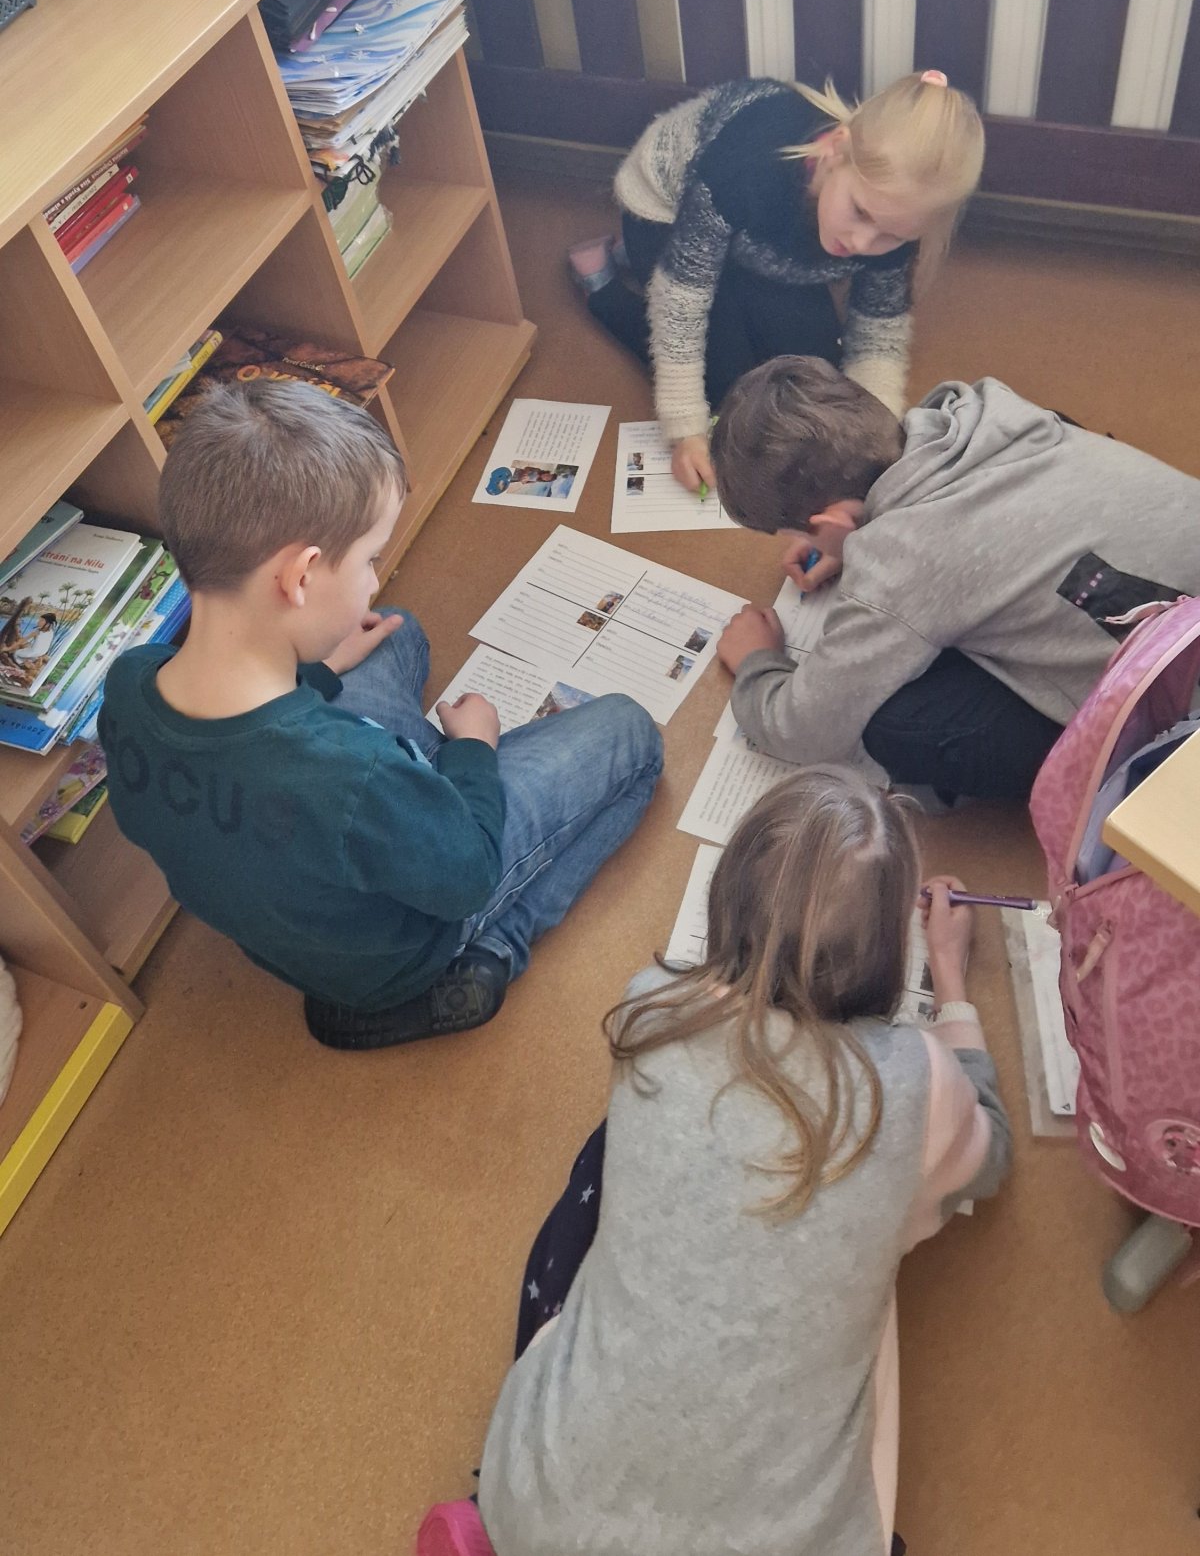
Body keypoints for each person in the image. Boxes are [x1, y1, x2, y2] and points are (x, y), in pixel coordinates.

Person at [417, 769, 1011, 1556]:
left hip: (542, 1513)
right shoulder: (917, 1084)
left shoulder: (652, 1005)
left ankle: (492, 1527)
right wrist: (954, 978)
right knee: (878, 1270)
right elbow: (991, 1156)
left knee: (603, 1162)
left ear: (727, 902)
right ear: (886, 951)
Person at [98, 382, 663, 1051]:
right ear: (301, 577)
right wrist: (473, 751)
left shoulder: (130, 679)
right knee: (632, 734)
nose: (374, 578)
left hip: (304, 900)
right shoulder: (352, 775)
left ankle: (418, 787)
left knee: (395, 630)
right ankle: (492, 950)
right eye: (369, 560)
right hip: (401, 951)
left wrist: (315, 673)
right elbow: (469, 875)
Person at [710, 355, 1200, 802]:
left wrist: (757, 662)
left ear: (832, 521)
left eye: (800, 532)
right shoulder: (978, 409)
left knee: (895, 725)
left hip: (1183, 713)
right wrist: (847, 538)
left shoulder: (899, 562)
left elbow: (803, 732)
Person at [567, 71, 984, 492]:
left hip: (756, 242)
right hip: (667, 215)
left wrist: (876, 441)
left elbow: (878, 337)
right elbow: (681, 302)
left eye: (891, 236)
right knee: (730, 392)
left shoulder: (895, 218)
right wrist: (686, 430)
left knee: (818, 373)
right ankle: (606, 289)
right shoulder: (745, 170)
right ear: (835, 150)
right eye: (860, 212)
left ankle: (696, 268)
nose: (862, 243)